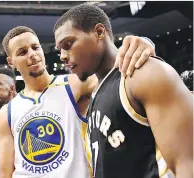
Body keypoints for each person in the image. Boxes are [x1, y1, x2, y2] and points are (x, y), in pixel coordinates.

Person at [0, 25, 155, 178]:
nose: (31, 54)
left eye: (35, 47)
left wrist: (143, 43)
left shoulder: (75, 84)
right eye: (22, 52)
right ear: (11, 62)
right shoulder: (6, 113)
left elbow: (116, 67)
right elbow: (4, 173)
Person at [54, 4, 193, 178]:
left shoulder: (143, 74)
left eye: (68, 44)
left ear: (99, 32)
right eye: (59, 50)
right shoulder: (96, 91)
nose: (62, 56)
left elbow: (187, 163)